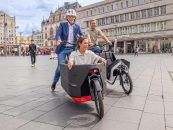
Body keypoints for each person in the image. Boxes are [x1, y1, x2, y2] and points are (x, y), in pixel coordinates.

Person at [51, 9, 83, 91]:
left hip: (72, 48)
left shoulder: (77, 27)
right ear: (67, 17)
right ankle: (54, 82)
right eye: (69, 16)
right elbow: (58, 34)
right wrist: (58, 40)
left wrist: (86, 40)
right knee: (60, 67)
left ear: (75, 17)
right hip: (63, 48)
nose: (71, 18)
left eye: (73, 16)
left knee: (73, 65)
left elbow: (82, 36)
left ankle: (72, 83)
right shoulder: (62, 25)